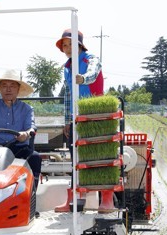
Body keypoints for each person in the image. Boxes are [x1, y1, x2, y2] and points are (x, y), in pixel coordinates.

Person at [55, 28, 104, 212]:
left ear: (80, 45)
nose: (67, 48)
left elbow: (91, 74)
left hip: (93, 115)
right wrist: (67, 121)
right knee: (75, 159)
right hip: (75, 118)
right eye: (64, 45)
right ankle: (75, 200)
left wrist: (82, 78)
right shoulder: (67, 67)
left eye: (70, 44)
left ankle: (104, 199)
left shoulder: (91, 59)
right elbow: (68, 96)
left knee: (97, 157)